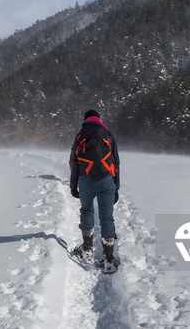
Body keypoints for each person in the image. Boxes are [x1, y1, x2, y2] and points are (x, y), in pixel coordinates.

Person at [69, 109, 120, 272]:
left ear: (85, 120)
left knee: (87, 211)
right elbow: (116, 162)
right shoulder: (108, 134)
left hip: (86, 181)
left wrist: (73, 186)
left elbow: (75, 163)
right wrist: (116, 186)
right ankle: (109, 259)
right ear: (99, 119)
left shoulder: (80, 135)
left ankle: (87, 251)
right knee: (107, 217)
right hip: (106, 180)